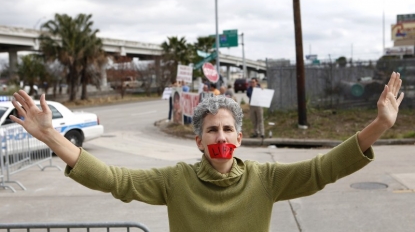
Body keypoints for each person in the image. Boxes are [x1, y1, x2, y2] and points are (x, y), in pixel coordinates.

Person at [9, 72, 404, 232]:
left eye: (228, 129)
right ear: (198, 141)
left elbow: (324, 168)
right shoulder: (175, 180)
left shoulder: (265, 180)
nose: (220, 136)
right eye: (211, 130)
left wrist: (380, 126)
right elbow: (117, 180)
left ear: (240, 137)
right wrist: (52, 139)